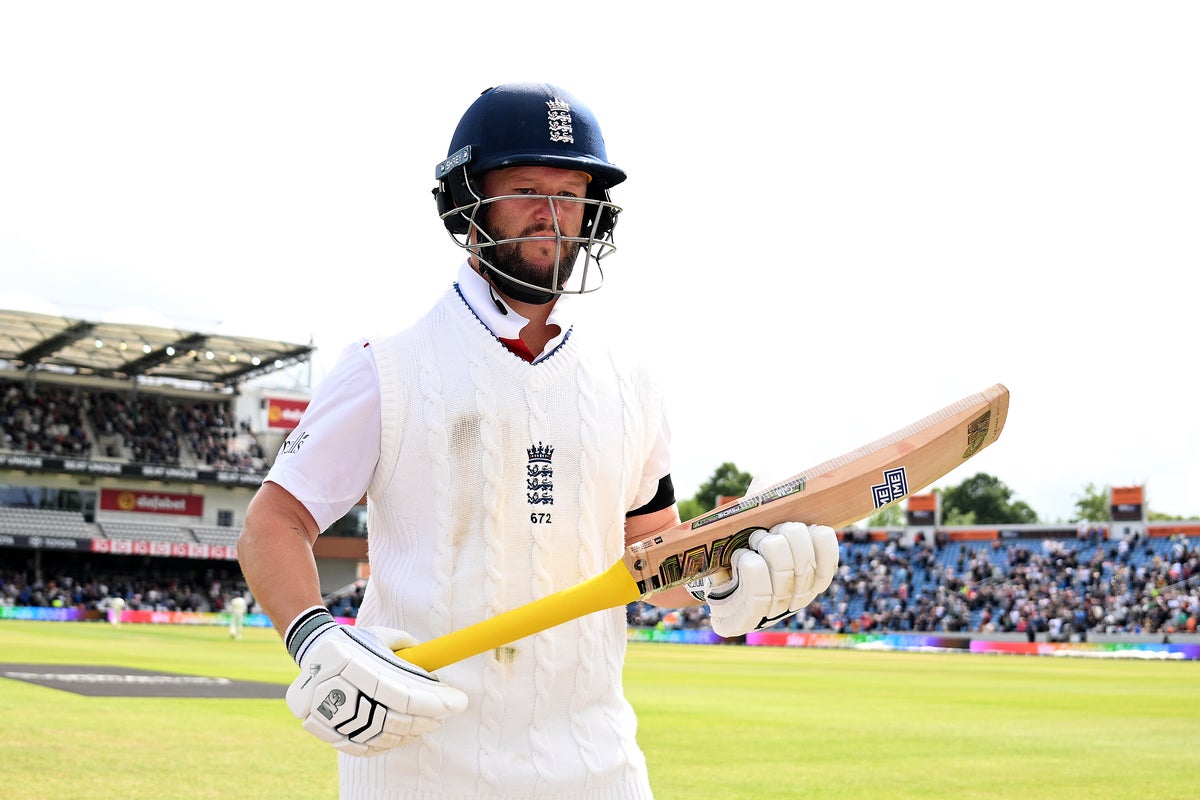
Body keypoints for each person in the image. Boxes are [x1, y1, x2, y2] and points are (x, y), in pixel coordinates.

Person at [237, 82, 839, 800]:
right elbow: (273, 524)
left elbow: (650, 557)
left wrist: (726, 578)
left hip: (597, 764)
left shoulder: (634, 382)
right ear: (466, 200)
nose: (552, 214)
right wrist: (315, 638)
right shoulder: (385, 367)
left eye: (571, 191)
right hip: (418, 764)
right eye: (525, 187)